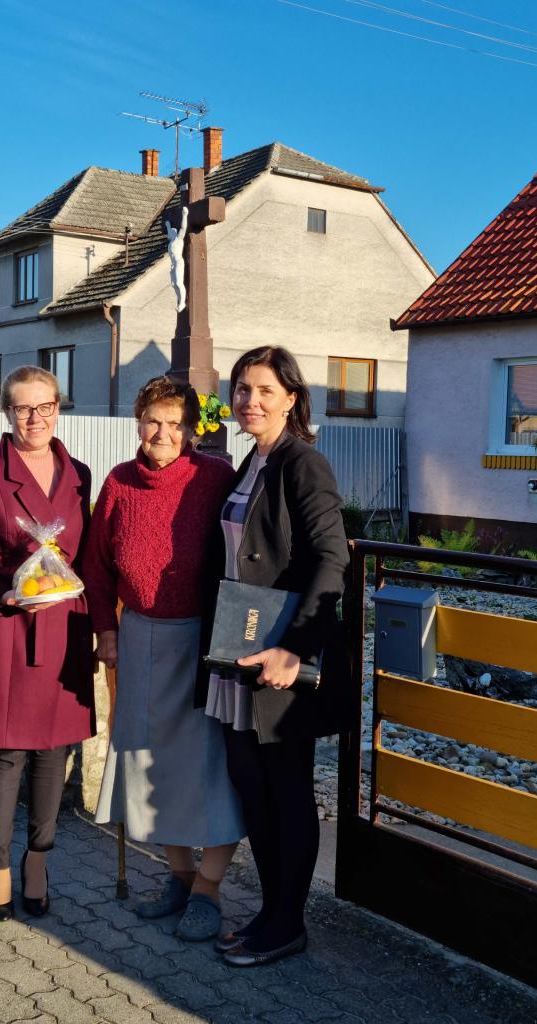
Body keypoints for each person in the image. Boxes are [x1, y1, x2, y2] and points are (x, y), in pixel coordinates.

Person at [201, 345, 349, 967]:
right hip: (239, 652)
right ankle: (269, 910)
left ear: (291, 398)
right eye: (242, 389)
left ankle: (289, 922)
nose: (250, 400)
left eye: (264, 390)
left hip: (279, 658)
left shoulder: (302, 463)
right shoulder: (250, 462)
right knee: (252, 787)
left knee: (286, 790)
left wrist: (294, 648)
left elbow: (332, 558)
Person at [85, 375, 244, 942]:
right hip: (139, 638)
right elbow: (96, 566)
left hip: (203, 642)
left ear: (191, 431)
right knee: (150, 764)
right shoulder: (119, 482)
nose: (163, 432)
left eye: (176, 423)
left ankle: (209, 889)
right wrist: (107, 631)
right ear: (138, 421)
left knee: (207, 768)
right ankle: (179, 877)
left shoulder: (214, 477)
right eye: (154, 419)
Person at [0, 366, 95, 921]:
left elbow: (87, 555)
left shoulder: (79, 475)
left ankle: (39, 862)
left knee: (53, 751)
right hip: (5, 626)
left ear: (59, 407)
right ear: (6, 412)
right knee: (6, 753)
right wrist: (0, 593)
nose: (35, 418)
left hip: (63, 627)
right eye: (23, 408)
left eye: (45, 406)